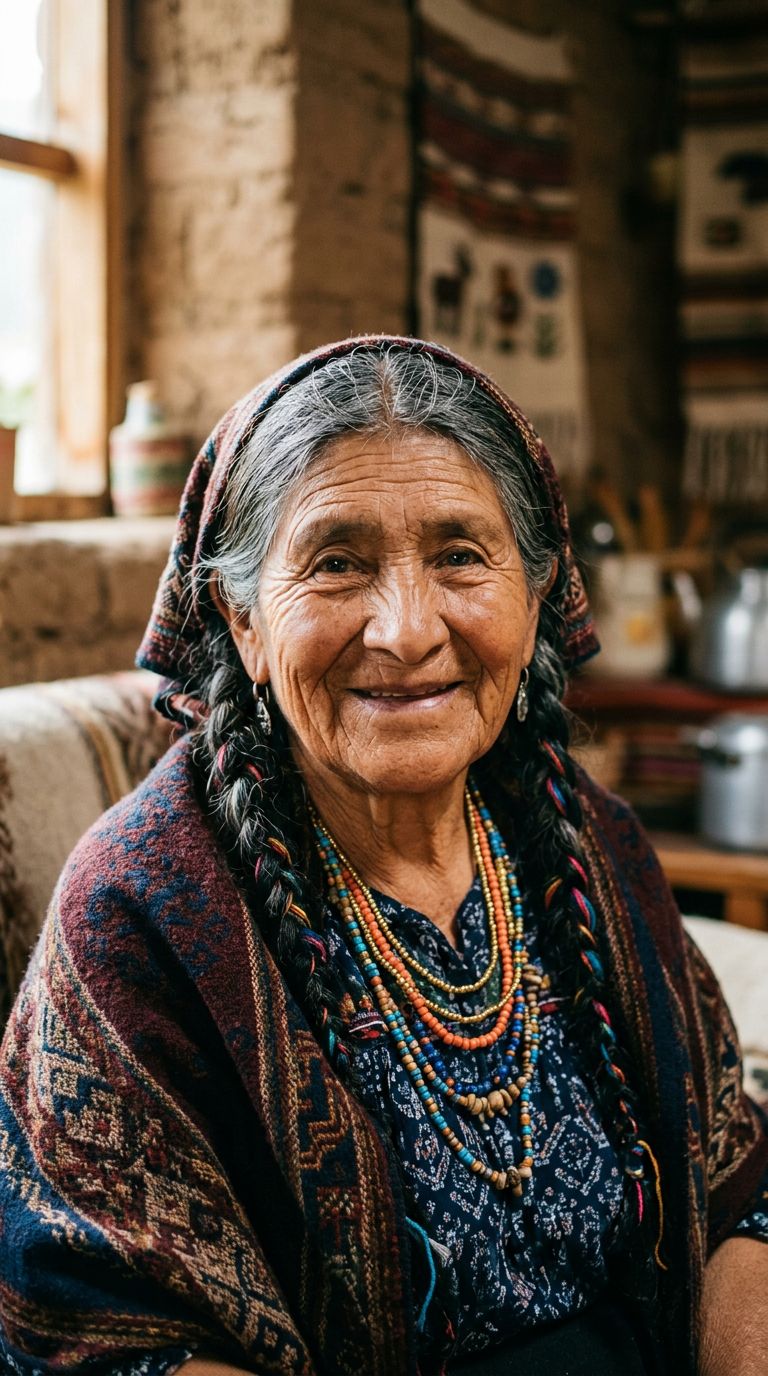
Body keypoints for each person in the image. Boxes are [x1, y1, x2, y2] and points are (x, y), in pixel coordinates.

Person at [0, 336, 766, 1376]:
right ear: (243, 619)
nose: (407, 630)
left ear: (536, 595)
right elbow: (102, 1335)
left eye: (460, 555)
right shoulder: (138, 913)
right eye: (337, 562)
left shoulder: (588, 839)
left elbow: (733, 1187)